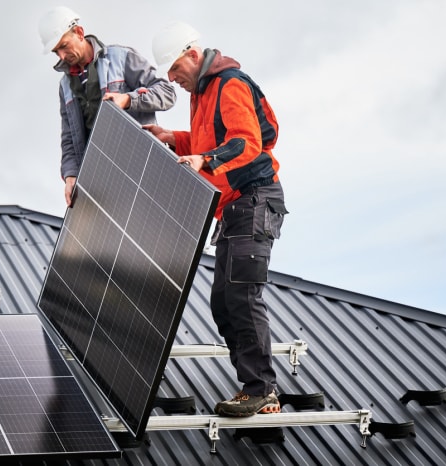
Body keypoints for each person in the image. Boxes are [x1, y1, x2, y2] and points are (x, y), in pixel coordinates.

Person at [144, 21, 288, 417]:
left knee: (242, 295)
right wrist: (172, 137)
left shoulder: (230, 84)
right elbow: (209, 141)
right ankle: (254, 388)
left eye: (174, 69)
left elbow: (245, 142)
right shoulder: (201, 93)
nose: (172, 79)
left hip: (255, 198)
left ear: (193, 55)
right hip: (232, 207)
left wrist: (205, 161)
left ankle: (262, 389)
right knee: (222, 302)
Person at [38, 6, 176, 207]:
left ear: (79, 32)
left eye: (64, 46)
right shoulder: (65, 86)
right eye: (56, 51)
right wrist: (70, 176)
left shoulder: (121, 58)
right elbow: (69, 137)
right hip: (104, 183)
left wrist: (128, 99)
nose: (61, 56)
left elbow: (167, 93)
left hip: (142, 168)